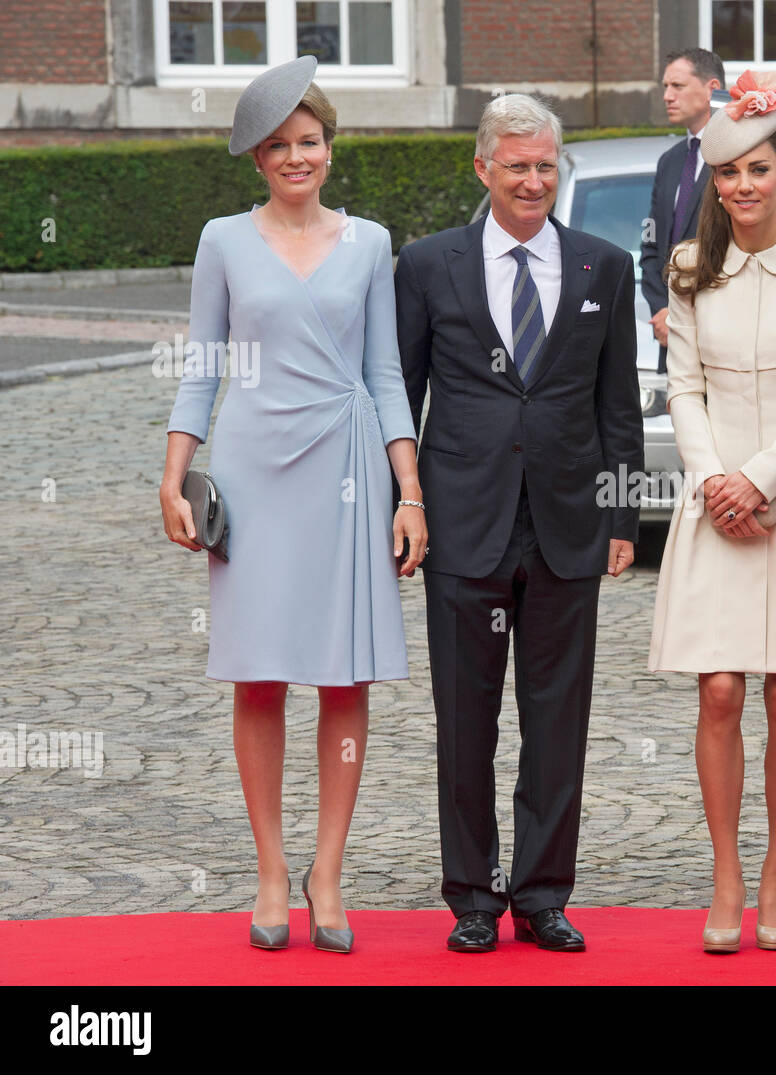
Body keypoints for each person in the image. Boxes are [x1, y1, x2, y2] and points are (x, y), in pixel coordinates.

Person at [160, 56, 425, 955]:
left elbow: (386, 373)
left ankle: (329, 869)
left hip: (348, 469)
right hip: (254, 473)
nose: (296, 157)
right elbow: (201, 367)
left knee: (344, 678)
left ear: (328, 147)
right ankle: (272, 869)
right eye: (279, 145)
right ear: (257, 158)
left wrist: (409, 492)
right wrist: (173, 473)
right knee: (260, 673)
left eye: (308, 141)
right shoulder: (222, 240)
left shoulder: (372, 242)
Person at [394, 94, 643, 954]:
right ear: (483, 169)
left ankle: (542, 893)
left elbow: (619, 405)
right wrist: (408, 499)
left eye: (545, 166)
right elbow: (404, 394)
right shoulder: (428, 265)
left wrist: (621, 514)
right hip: (463, 525)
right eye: (517, 166)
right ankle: (471, 895)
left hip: (569, 523)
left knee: (558, 718)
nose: (533, 181)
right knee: (465, 719)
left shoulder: (604, 268)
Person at [648, 70, 776, 954]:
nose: (743, 187)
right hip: (713, 498)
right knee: (721, 687)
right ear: (714, 182)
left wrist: (763, 479)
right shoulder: (690, 268)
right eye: (729, 174)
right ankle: (726, 873)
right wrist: (715, 482)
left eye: (759, 171)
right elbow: (682, 387)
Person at [640, 48, 724, 373]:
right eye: (665, 87)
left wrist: (684, 317)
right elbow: (652, 247)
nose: (667, 96)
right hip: (671, 342)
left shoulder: (734, 157)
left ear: (711, 88)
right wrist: (663, 311)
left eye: (677, 86)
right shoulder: (671, 161)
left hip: (718, 339)